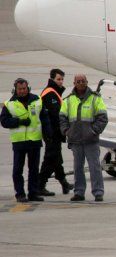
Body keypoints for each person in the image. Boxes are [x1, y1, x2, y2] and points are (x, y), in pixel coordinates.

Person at [1, 78, 51, 202]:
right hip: (19, 142)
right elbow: (4, 121)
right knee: (18, 170)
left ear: (28, 88)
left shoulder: (37, 100)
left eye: (24, 88)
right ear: (15, 90)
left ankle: (33, 193)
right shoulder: (9, 104)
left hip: (34, 140)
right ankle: (20, 194)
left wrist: (48, 134)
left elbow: (45, 119)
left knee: (33, 169)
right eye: (20, 89)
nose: (22, 91)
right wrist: (19, 122)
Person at [60, 74, 108, 202]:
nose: (81, 83)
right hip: (75, 140)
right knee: (77, 168)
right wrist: (66, 131)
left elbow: (103, 118)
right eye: (78, 81)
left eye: (83, 81)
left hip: (90, 140)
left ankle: (98, 192)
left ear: (87, 82)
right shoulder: (68, 100)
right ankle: (79, 192)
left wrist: (94, 131)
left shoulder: (95, 99)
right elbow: (62, 118)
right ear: (74, 83)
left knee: (95, 167)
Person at [37, 68, 72, 196]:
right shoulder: (50, 93)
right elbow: (56, 114)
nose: (61, 82)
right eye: (58, 79)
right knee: (50, 158)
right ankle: (40, 185)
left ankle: (64, 184)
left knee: (56, 158)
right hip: (51, 132)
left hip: (54, 132)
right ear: (52, 79)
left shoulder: (55, 92)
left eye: (62, 79)